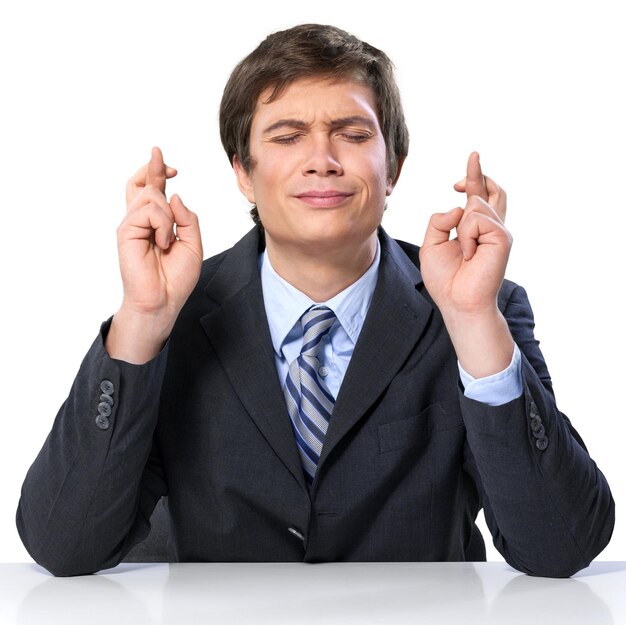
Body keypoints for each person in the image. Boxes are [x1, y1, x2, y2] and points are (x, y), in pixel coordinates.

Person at [17, 23, 614, 578]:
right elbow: (65, 547)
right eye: (287, 136)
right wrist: (143, 318)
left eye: (353, 135)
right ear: (243, 174)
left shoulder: (479, 306)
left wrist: (470, 318)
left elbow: (560, 546)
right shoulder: (178, 309)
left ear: (393, 169)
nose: (322, 161)